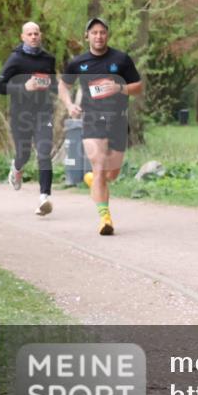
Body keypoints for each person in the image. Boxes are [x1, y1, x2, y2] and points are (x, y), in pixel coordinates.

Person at [58, 18, 143, 235]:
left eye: (102, 32)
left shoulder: (121, 59)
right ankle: (105, 218)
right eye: (94, 32)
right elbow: (63, 85)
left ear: (107, 35)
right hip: (92, 119)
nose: (98, 36)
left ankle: (93, 180)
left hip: (117, 119)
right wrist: (69, 105)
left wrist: (118, 88)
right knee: (98, 165)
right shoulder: (78, 62)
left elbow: (138, 87)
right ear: (87, 36)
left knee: (111, 173)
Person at [0, 22, 58, 216]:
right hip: (21, 114)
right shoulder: (15, 59)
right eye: (29, 34)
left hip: (43, 112)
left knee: (44, 152)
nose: (33, 37)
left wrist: (57, 87)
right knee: (24, 153)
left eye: (36, 33)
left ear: (41, 35)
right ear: (23, 37)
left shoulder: (48, 59)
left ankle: (44, 198)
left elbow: (53, 84)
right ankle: (17, 168)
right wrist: (24, 87)